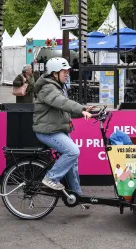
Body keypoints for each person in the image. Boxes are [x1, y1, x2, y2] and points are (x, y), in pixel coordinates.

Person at [33, 57, 93, 206]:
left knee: (73, 164)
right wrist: (80, 108)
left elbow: (64, 109)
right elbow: (63, 102)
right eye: (64, 71)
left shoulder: (58, 87)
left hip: (56, 129)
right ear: (54, 74)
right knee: (73, 152)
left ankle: (78, 197)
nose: (67, 74)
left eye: (67, 71)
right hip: (48, 132)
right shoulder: (49, 88)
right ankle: (51, 178)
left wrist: (83, 110)